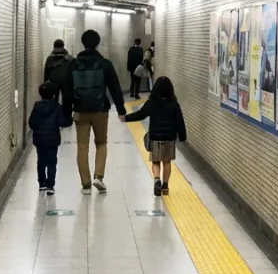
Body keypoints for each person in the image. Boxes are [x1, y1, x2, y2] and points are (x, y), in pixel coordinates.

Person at [63, 29, 126, 195]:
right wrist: (121, 109)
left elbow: (67, 90)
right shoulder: (105, 63)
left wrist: (66, 112)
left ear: (83, 43)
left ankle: (85, 184)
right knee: (101, 142)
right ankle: (99, 176)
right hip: (100, 109)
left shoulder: (74, 64)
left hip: (80, 110)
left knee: (82, 147)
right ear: (98, 43)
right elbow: (115, 88)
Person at [124, 76, 186, 197]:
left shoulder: (152, 103)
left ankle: (157, 180)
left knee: (156, 161)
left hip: (156, 137)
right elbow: (180, 121)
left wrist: (126, 118)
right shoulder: (174, 104)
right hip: (169, 137)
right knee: (167, 161)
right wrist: (182, 136)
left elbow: (140, 114)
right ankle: (165, 186)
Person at [28, 81, 70, 196]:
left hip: (40, 139)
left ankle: (42, 183)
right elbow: (62, 122)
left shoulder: (36, 106)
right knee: (52, 162)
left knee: (41, 161)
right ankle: (50, 185)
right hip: (53, 140)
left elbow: (31, 123)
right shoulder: (57, 107)